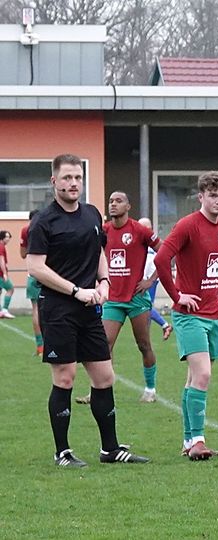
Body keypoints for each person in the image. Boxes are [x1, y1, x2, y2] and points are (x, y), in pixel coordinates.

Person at [26, 153, 150, 467]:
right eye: (67, 178)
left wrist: (104, 281)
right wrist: (75, 290)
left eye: (78, 177)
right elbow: (35, 267)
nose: (73, 183)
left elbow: (99, 252)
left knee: (105, 376)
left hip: (89, 308)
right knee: (65, 377)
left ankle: (110, 449)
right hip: (58, 309)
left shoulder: (92, 214)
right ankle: (62, 452)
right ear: (54, 181)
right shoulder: (44, 221)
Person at [155, 171, 218, 461]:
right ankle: (198, 440)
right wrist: (177, 296)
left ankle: (189, 441)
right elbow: (161, 258)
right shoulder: (187, 225)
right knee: (203, 375)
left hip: (212, 313)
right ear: (200, 196)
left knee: (193, 379)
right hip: (189, 315)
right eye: (213, 195)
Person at [75, 192, 163, 405]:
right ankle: (99, 390)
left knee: (143, 344)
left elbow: (165, 252)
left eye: (118, 201)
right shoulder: (104, 231)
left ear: (128, 206)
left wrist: (151, 280)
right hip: (113, 299)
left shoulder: (140, 230)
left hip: (136, 298)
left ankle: (150, 389)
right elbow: (92, 256)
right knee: (103, 344)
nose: (113, 204)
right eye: (111, 201)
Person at [137, 217, 173, 339]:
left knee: (145, 306)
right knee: (146, 306)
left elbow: (163, 259)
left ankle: (164, 325)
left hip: (149, 280)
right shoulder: (141, 243)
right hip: (148, 279)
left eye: (144, 228)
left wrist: (148, 279)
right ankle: (149, 333)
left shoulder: (152, 243)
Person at [19, 211, 44, 355]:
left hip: (33, 274)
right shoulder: (49, 227)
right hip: (49, 274)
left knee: (36, 309)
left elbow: (23, 254)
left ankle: (40, 346)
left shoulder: (26, 230)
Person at [0, 230, 15, 318]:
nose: (9, 239)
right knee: (10, 289)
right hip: (0, 274)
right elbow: (1, 260)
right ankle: (5, 310)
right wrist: (5, 273)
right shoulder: (1, 247)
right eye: (7, 237)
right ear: (2, 238)